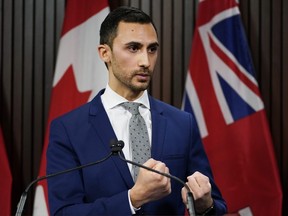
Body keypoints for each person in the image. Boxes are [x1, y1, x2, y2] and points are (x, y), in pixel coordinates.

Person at [47, 6, 227, 216]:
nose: (145, 61)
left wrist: (206, 206)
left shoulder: (182, 123)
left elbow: (216, 205)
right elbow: (64, 213)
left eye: (152, 49)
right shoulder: (68, 129)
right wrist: (133, 199)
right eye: (133, 48)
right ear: (105, 53)